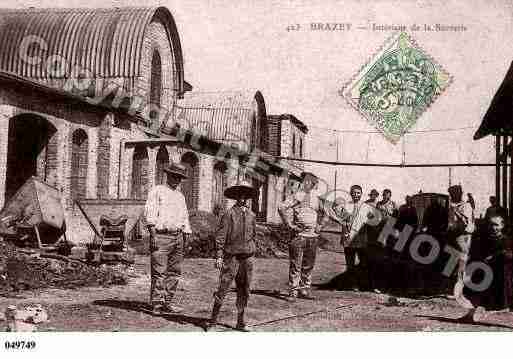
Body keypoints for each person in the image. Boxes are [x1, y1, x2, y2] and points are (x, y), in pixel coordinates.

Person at [207, 180, 258, 331]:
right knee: (223, 287)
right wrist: (219, 255)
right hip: (232, 257)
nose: (242, 198)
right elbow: (220, 237)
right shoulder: (229, 214)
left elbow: (253, 235)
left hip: (247, 257)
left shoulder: (252, 215)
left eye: (245, 195)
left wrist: (252, 249)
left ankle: (240, 321)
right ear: (236, 196)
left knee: (244, 289)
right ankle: (213, 322)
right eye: (239, 195)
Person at [144, 163, 192, 315]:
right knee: (159, 271)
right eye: (174, 176)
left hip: (178, 236)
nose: (176, 180)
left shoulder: (180, 196)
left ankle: (167, 302)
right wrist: (153, 235)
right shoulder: (157, 191)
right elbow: (150, 214)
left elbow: (185, 218)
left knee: (174, 272)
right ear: (168, 175)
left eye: (179, 178)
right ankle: (157, 304)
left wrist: (186, 235)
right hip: (161, 235)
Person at [278, 171, 326, 302]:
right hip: (298, 236)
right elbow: (281, 207)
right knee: (296, 264)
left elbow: (326, 212)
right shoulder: (297, 195)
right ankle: (293, 291)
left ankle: (304, 289)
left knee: (309, 264)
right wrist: (289, 224)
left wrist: (320, 225)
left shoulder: (317, 198)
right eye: (308, 181)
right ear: (304, 182)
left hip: (313, 236)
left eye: (313, 182)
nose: (310, 184)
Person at [335, 184, 381, 291]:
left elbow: (374, 222)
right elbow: (343, 221)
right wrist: (345, 232)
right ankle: (352, 285)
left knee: (364, 263)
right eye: (354, 192)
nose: (356, 195)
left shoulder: (366, 207)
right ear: (351, 193)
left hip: (361, 239)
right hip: (348, 238)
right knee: (350, 264)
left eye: (358, 193)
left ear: (361, 194)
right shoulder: (346, 206)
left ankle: (365, 285)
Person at [447, 185, 476, 317]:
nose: (451, 196)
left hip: (463, 236)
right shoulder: (452, 205)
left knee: (462, 262)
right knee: (455, 262)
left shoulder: (465, 206)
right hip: (455, 236)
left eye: (452, 194)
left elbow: (465, 222)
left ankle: (461, 292)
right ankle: (457, 290)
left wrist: (455, 211)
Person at [481, 215, 513, 310]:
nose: (493, 228)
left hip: (504, 270)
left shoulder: (506, 239)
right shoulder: (486, 239)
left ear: (502, 226)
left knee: (504, 286)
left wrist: (496, 256)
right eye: (491, 225)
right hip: (490, 270)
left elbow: (509, 254)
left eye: (496, 225)